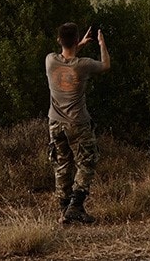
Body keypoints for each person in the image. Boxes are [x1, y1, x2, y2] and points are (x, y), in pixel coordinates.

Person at [46, 22, 111, 224]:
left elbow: (66, 55)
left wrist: (79, 43)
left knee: (62, 165)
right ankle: (76, 205)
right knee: (87, 162)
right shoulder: (83, 65)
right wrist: (101, 44)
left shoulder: (50, 61)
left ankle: (64, 209)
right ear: (75, 40)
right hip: (77, 123)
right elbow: (106, 65)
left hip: (55, 122)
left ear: (59, 40)